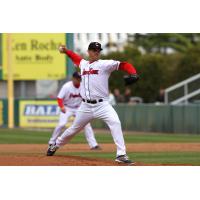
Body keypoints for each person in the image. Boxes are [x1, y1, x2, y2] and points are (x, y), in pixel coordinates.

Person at [47, 42, 138, 165]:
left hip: (102, 105)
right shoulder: (83, 64)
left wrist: (133, 73)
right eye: (94, 50)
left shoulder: (104, 64)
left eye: (98, 50)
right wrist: (66, 51)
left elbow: (124, 65)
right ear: (88, 51)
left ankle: (121, 154)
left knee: (115, 122)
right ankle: (55, 145)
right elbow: (75, 57)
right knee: (73, 129)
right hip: (85, 106)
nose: (96, 52)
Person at [48, 72, 100, 150]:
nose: (78, 80)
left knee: (86, 124)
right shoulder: (66, 86)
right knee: (61, 124)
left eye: (79, 78)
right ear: (73, 78)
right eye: (77, 78)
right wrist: (61, 106)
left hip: (79, 108)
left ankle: (93, 145)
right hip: (67, 107)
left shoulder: (83, 85)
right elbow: (59, 98)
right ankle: (52, 142)